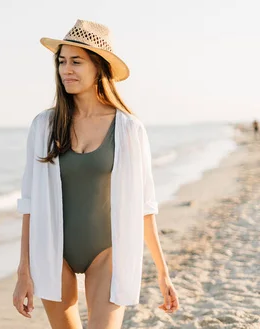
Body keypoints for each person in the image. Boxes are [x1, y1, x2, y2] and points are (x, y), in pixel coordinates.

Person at [12, 19, 179, 329]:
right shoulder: (44, 126)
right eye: (62, 61)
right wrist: (23, 271)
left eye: (77, 61)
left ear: (99, 67)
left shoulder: (128, 129)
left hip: (107, 251)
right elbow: (30, 203)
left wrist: (163, 272)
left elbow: (145, 205)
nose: (66, 69)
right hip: (52, 251)